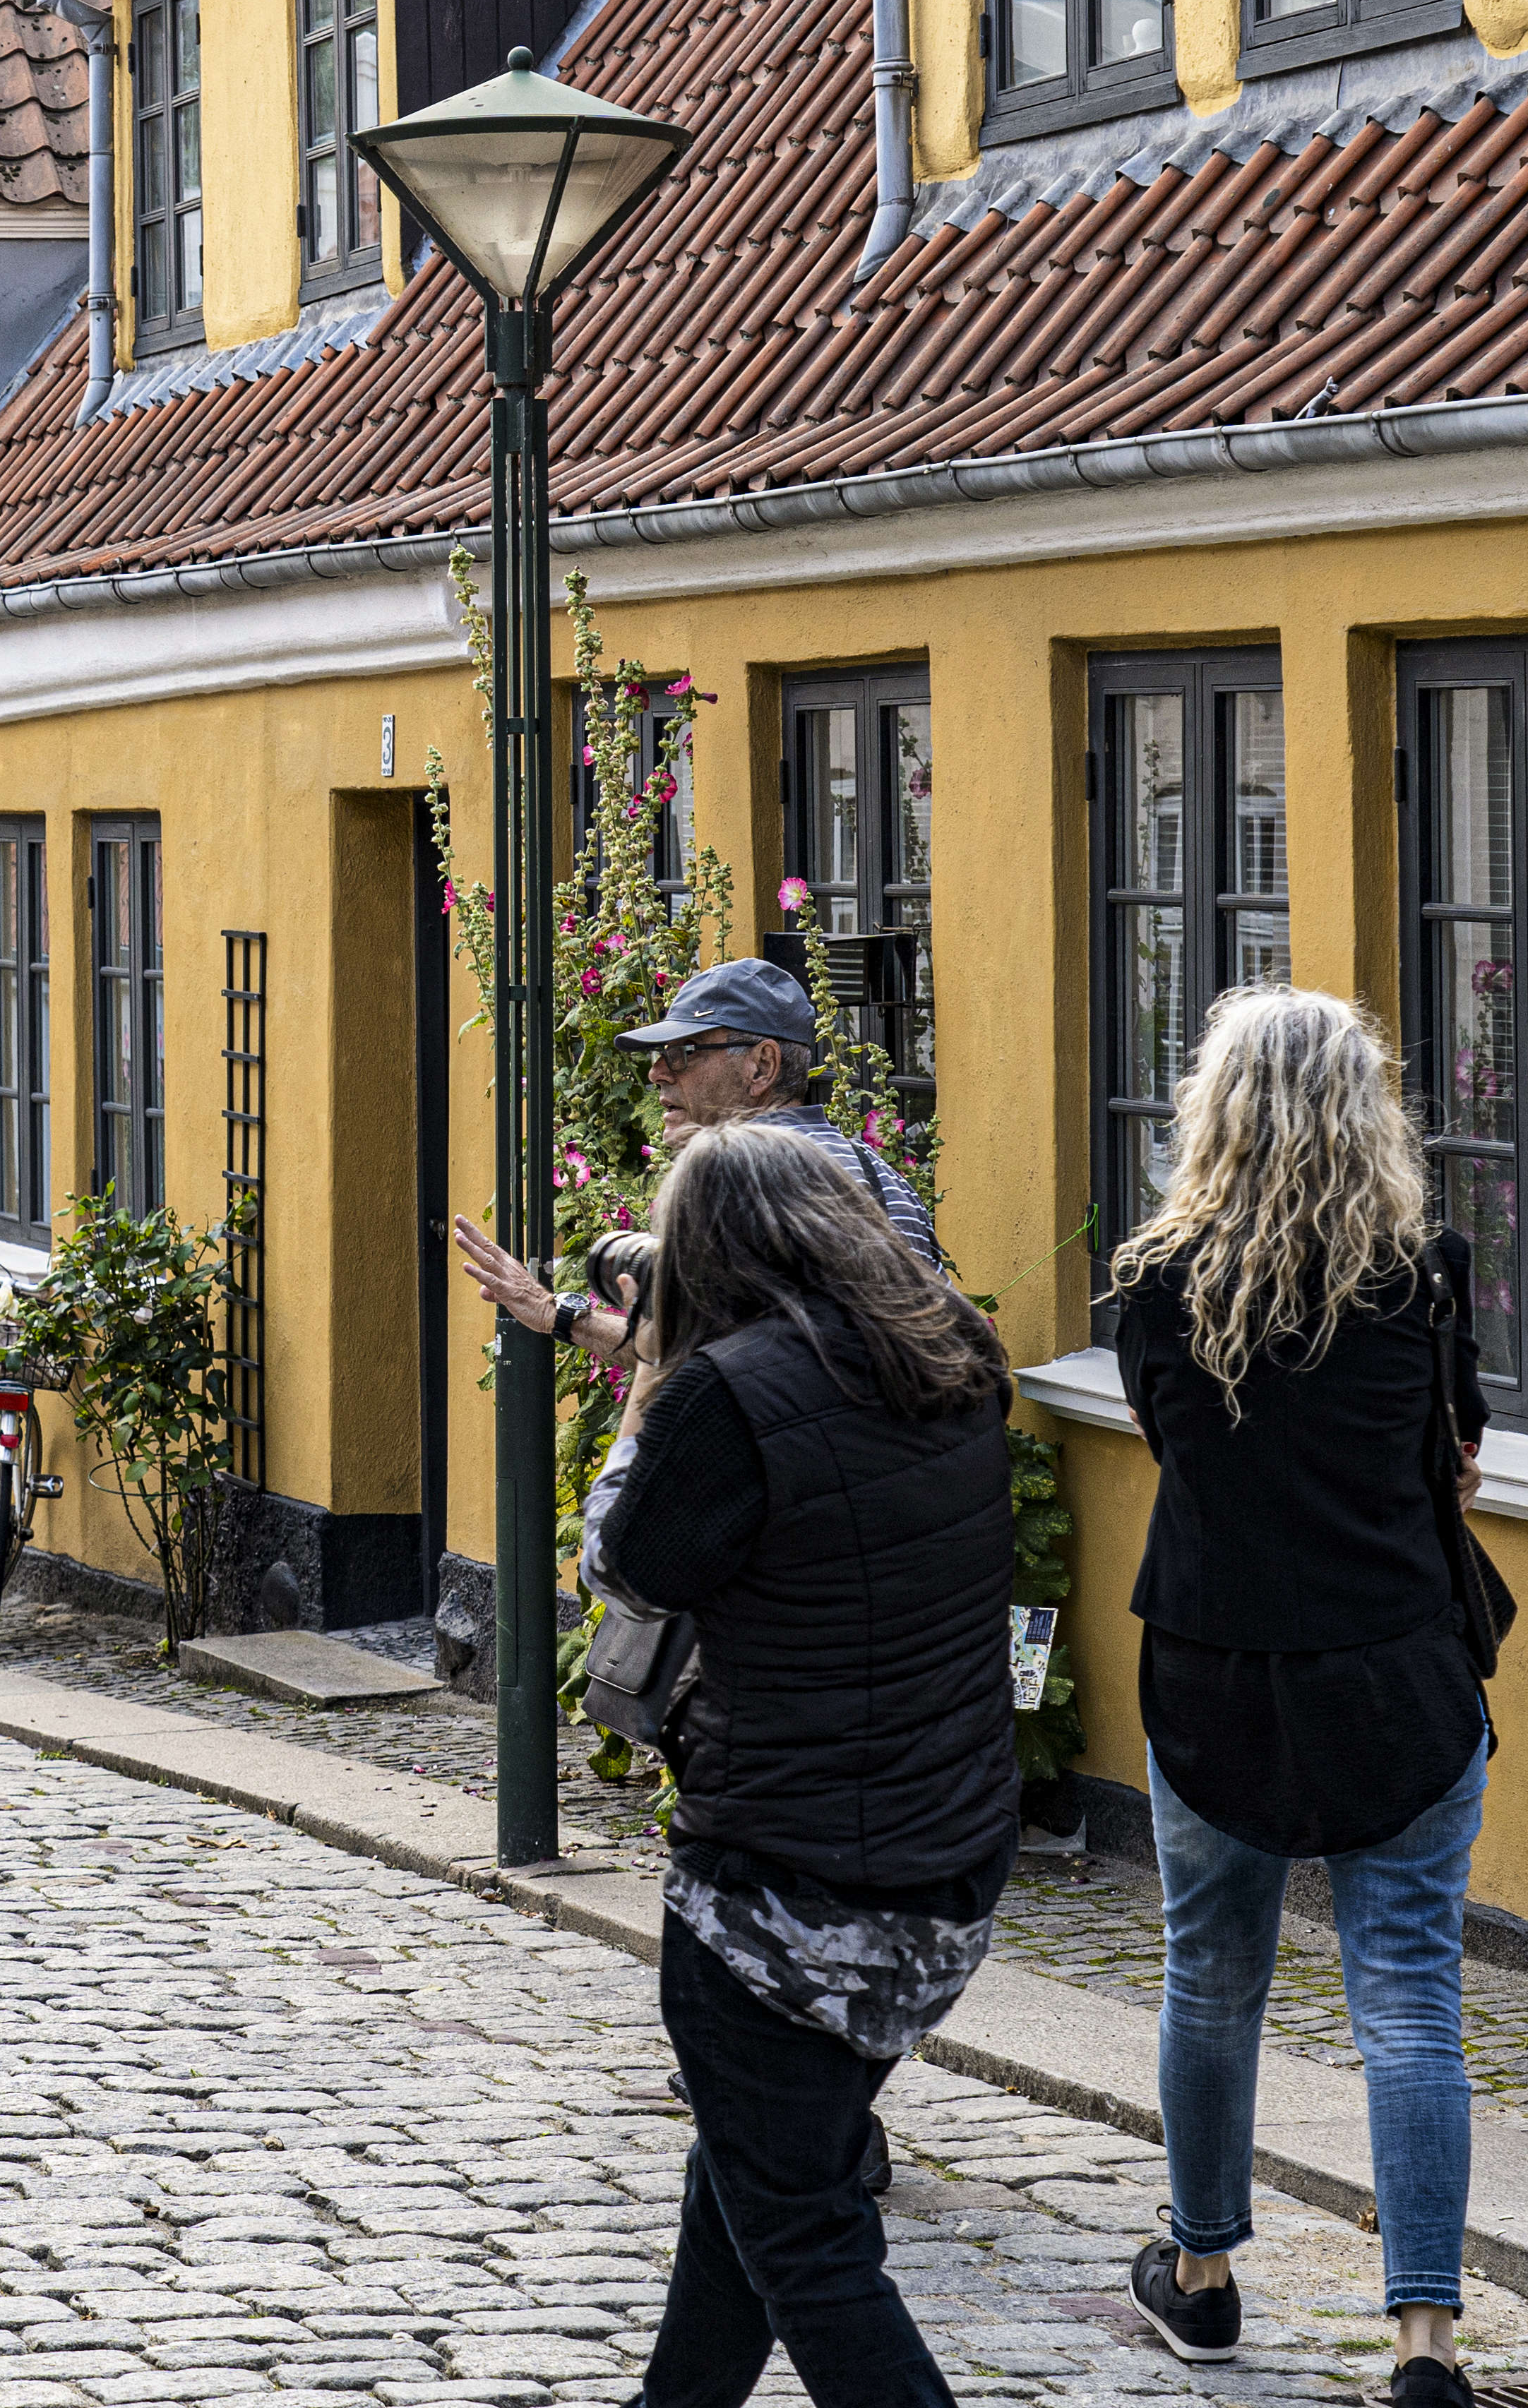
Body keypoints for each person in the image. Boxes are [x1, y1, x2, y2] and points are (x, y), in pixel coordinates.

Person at [580, 1119, 1020, 2408]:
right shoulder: (953, 1358)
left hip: (779, 1892)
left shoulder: (728, 1393)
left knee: (809, 2241)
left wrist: (654, 1376)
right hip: (943, 1869)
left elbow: (626, 1565)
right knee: (755, 2182)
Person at [1104, 986, 1494, 2408]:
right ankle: (1426, 2341)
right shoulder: (1425, 1273)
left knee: (1211, 1978)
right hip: (1399, 1668)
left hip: (1218, 1674)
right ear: (1364, 1109)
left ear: (1215, 1107)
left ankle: (1203, 2280)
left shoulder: (1157, 1283)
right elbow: (1457, 1464)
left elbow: (1173, 1447)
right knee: (1411, 1999)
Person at [451, 958, 938, 1361]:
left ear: (761, 1066)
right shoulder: (883, 1179)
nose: (658, 1072)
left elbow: (682, 1354)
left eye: (684, 1052)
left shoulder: (733, 1181)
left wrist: (552, 1311)